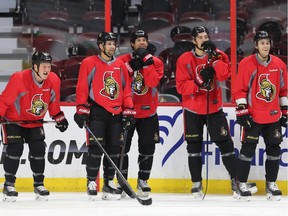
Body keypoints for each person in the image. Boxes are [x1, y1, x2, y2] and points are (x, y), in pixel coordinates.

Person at [175, 26, 256, 198]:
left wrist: (215, 60)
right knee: (194, 147)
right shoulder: (184, 59)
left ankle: (236, 181)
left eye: (206, 36)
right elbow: (181, 87)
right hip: (192, 109)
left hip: (214, 108)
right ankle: (196, 183)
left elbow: (223, 76)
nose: (204, 40)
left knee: (226, 145)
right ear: (193, 40)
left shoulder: (218, 54)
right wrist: (198, 82)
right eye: (200, 37)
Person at [73, 32, 135, 200]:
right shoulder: (89, 63)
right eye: (108, 44)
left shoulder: (121, 65)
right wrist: (81, 108)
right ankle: (91, 181)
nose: (112, 46)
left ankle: (108, 183)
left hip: (116, 113)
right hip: (97, 112)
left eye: (114, 43)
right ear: (100, 46)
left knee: (114, 150)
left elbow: (126, 90)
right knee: (96, 149)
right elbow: (82, 88)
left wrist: (128, 110)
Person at [0, 51, 69, 201]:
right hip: (13, 121)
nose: (46, 69)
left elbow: (53, 103)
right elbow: (4, 100)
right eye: (43, 66)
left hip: (34, 121)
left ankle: (39, 184)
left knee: (38, 150)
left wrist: (59, 117)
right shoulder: (19, 78)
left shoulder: (54, 80)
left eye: (49, 66)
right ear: (35, 67)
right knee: (15, 149)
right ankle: (9, 184)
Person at [233, 30, 287, 201]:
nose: (265, 46)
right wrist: (242, 110)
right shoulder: (246, 64)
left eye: (267, 42)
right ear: (255, 45)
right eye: (262, 43)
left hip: (272, 117)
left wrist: (284, 111)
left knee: (274, 150)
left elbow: (283, 90)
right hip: (253, 116)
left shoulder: (279, 64)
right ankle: (241, 183)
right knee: (247, 150)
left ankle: (271, 184)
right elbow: (239, 89)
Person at [117, 29, 164, 197]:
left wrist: (146, 63)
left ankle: (143, 180)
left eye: (144, 40)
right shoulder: (122, 61)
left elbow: (151, 82)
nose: (142, 43)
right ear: (132, 44)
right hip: (127, 112)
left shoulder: (156, 62)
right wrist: (130, 68)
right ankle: (122, 182)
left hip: (148, 113)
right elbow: (117, 81)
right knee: (122, 149)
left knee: (147, 148)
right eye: (138, 40)